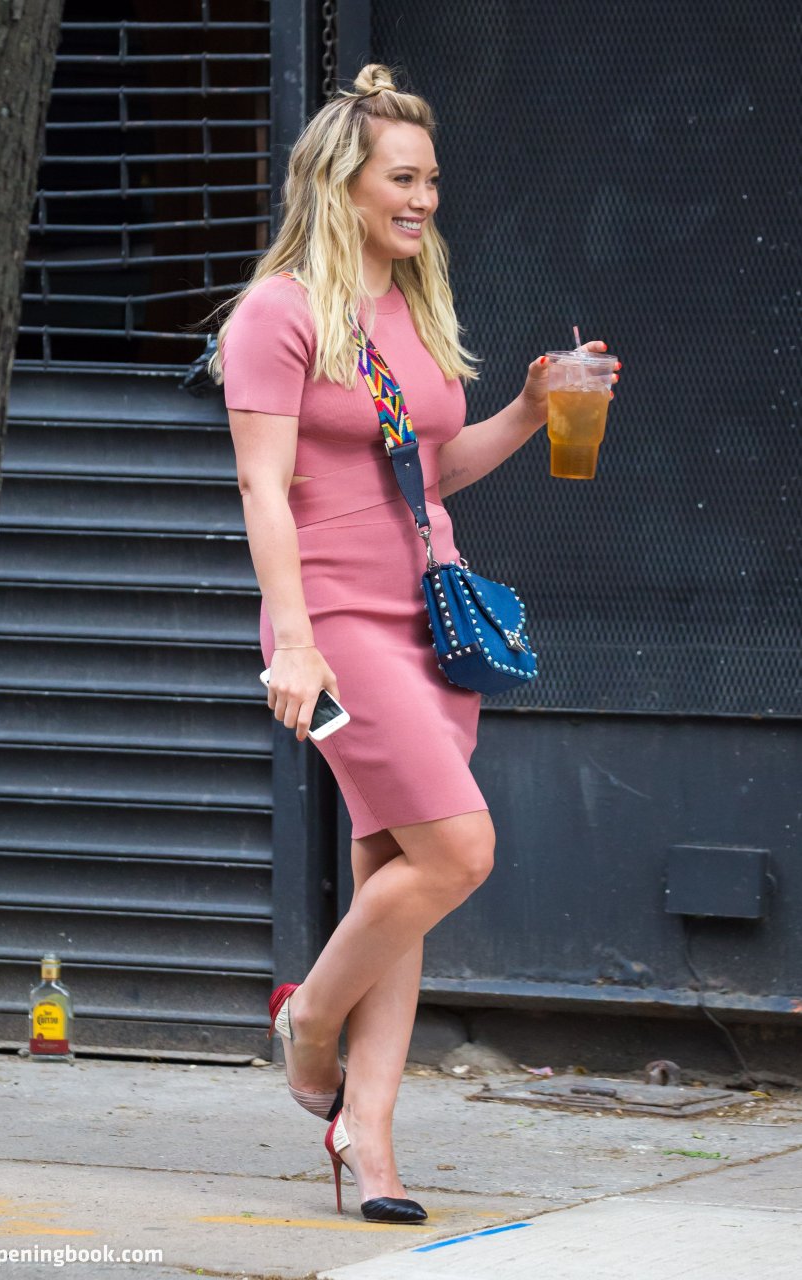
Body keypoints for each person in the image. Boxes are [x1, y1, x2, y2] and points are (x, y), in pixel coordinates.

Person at [210, 63, 619, 1223]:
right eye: (401, 178)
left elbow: (427, 472)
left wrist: (529, 410)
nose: (424, 198)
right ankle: (310, 1022)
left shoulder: (410, 301)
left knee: (399, 871)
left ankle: (370, 1138)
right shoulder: (279, 311)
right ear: (338, 183)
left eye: (431, 178)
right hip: (333, 617)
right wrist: (294, 642)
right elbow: (263, 485)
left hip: (426, 610)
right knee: (457, 849)